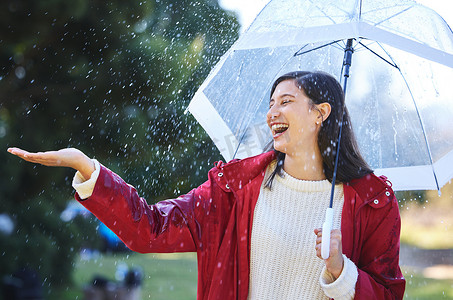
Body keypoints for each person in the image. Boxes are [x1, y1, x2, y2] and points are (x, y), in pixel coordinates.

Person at [7, 71, 405, 299]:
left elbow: (387, 294)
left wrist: (340, 270)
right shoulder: (235, 189)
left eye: (285, 101)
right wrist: (89, 169)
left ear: (321, 113)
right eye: (270, 103)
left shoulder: (372, 203)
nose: (272, 113)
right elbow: (151, 228)